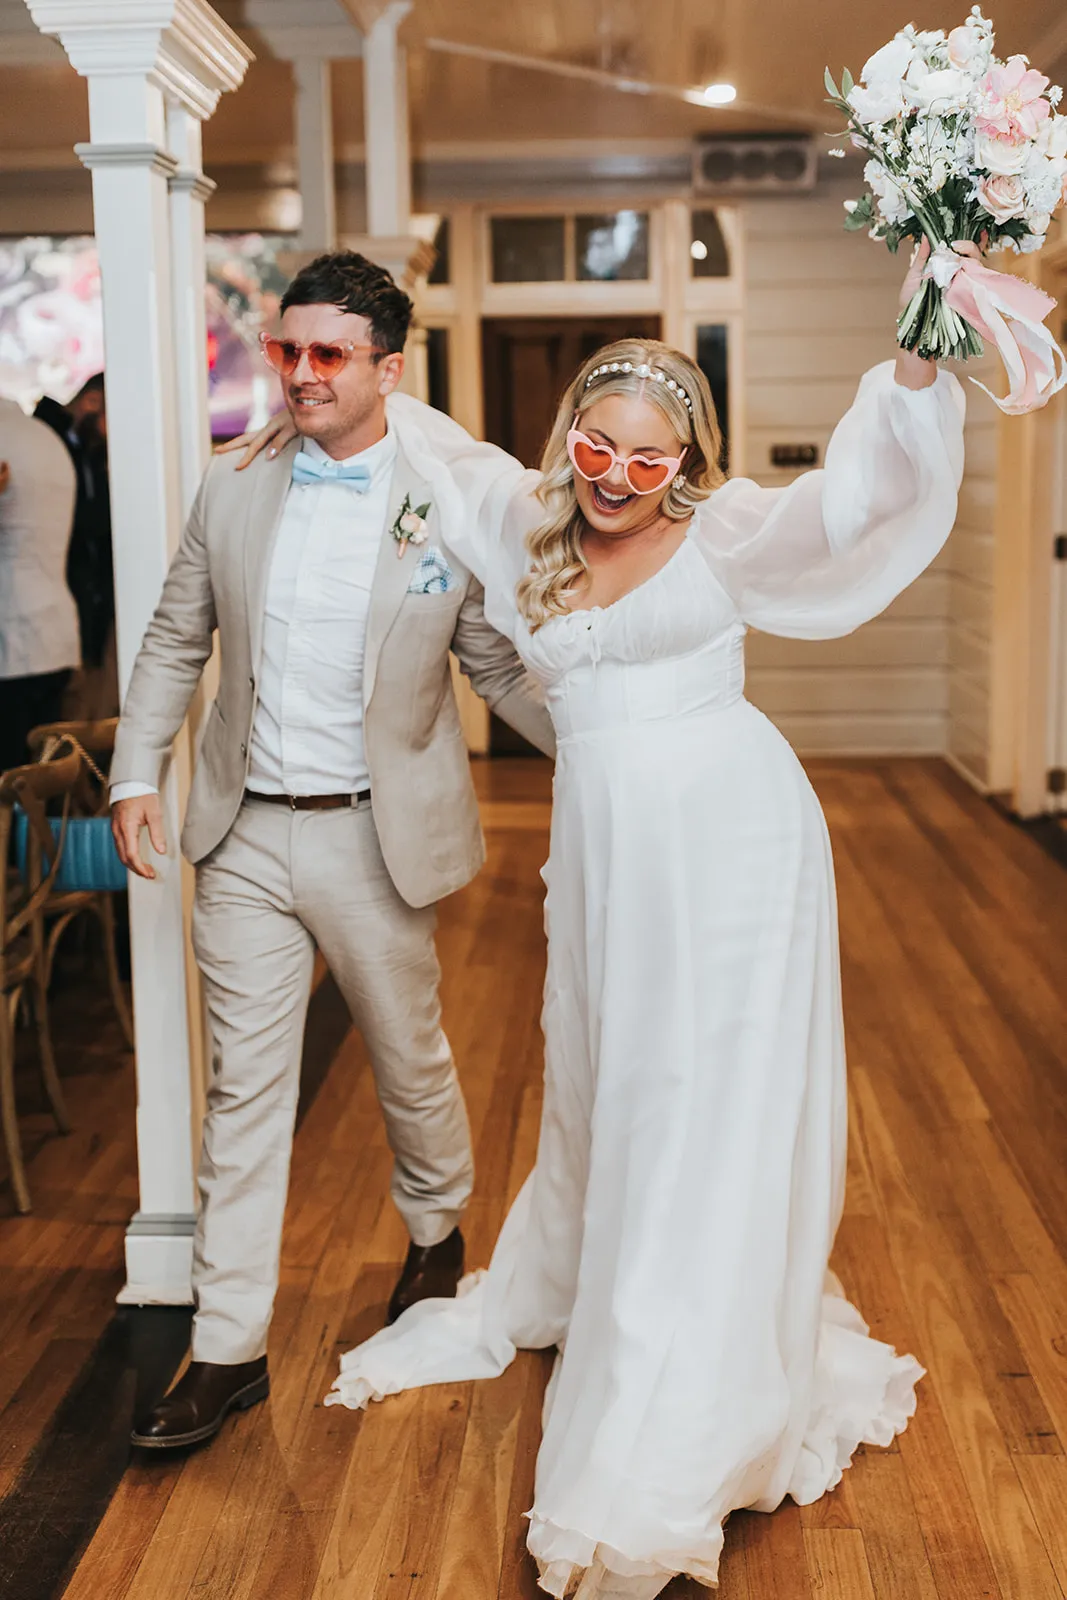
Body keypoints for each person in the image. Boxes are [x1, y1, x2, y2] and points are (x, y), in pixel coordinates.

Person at [237, 239, 964, 1596]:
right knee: (612, 1086)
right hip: (607, 859)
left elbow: (860, 500)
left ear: (680, 466)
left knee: (705, 1096)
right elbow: (425, 439)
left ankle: (676, 1384)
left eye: (648, 456)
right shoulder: (517, 524)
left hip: (735, 848)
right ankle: (612, 1280)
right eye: (598, 443)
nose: (617, 475)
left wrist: (914, 358)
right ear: (568, 435)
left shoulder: (726, 534)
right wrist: (316, 396)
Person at [108, 251, 555, 1452]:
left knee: (409, 1057)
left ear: (387, 370)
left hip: (376, 835)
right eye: (288, 350)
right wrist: (137, 770)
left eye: (328, 355)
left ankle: (434, 1227)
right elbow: (171, 638)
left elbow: (494, 663)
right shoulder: (234, 486)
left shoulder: (443, 500)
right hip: (243, 832)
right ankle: (226, 1349)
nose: (299, 374)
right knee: (243, 1097)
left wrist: (611, 747)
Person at [0, 399, 79, 773]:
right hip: (57, 628)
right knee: (41, 778)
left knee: (13, 776)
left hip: (13, 636)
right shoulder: (45, 437)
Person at [36, 373, 116, 717]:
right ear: (93, 402)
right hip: (55, 614)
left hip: (90, 611)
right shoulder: (49, 445)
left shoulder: (87, 453)